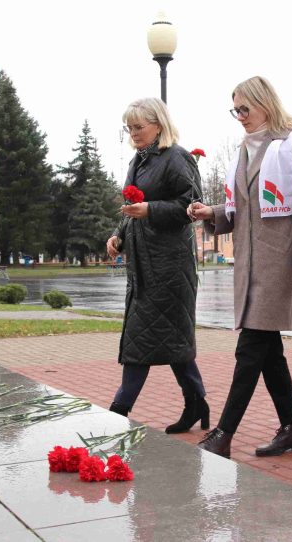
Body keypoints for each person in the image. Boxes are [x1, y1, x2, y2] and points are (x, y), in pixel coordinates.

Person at [188, 76, 292, 459]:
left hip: (279, 267)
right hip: (249, 268)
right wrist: (209, 212)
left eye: (245, 108)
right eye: (236, 110)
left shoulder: (290, 145)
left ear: (265, 104)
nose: (240, 117)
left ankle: (224, 433)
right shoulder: (243, 152)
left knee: (250, 350)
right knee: (269, 354)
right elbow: (240, 211)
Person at [105, 97, 209, 435]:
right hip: (144, 267)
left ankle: (118, 410)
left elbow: (191, 205)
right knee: (171, 340)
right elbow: (134, 206)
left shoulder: (176, 158)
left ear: (158, 125)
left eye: (138, 127)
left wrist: (149, 210)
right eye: (129, 128)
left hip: (169, 268)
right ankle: (197, 402)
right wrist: (119, 236)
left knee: (144, 340)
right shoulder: (140, 161)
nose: (133, 133)